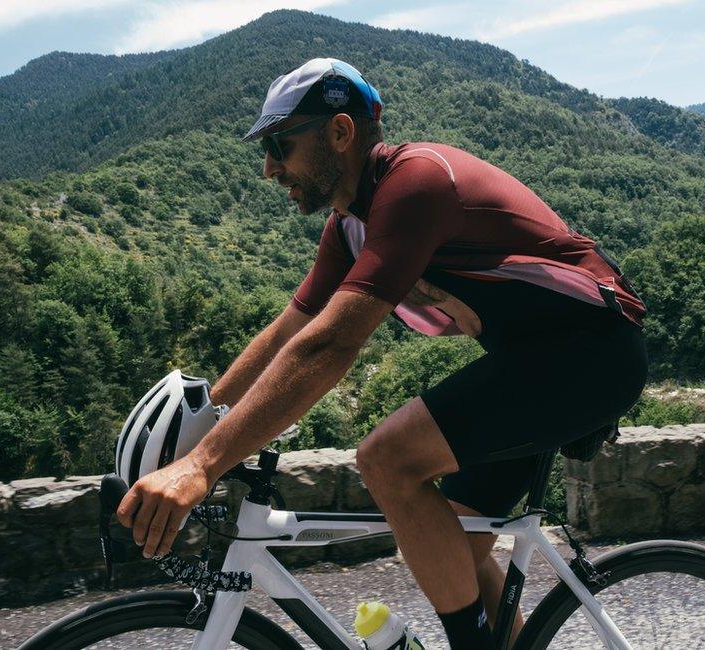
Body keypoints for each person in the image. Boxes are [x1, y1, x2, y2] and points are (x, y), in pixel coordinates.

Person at [117, 57, 648, 648]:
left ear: (340, 134)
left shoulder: (416, 183)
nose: (269, 169)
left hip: (591, 354)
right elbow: (291, 329)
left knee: (388, 459)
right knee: (457, 546)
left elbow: (331, 344)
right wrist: (206, 415)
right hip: (533, 362)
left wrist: (201, 466)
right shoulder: (350, 225)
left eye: (280, 146)